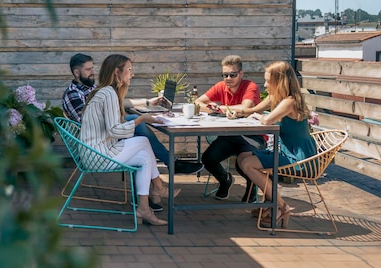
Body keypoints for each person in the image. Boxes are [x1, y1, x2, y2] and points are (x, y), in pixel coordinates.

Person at [62, 53, 203, 211]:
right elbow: (91, 123)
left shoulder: (98, 90)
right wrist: (141, 119)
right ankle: (164, 177)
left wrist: (147, 103)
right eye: (88, 69)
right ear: (76, 72)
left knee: (143, 146)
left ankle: (145, 204)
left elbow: (115, 107)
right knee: (142, 137)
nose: (92, 72)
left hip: (103, 141)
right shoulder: (75, 93)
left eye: (92, 68)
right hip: (96, 145)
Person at [80, 54, 178, 226]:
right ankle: (159, 188)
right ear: (117, 72)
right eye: (129, 70)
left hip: (98, 151)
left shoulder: (107, 92)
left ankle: (144, 208)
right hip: (96, 155)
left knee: (144, 157)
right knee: (143, 142)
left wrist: (141, 117)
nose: (132, 74)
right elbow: (115, 130)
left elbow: (114, 127)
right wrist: (141, 120)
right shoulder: (108, 93)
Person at [231, 61, 317, 228]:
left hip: (298, 158)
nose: (264, 85)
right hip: (285, 152)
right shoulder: (277, 98)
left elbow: (267, 119)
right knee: (243, 157)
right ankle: (273, 205)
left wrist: (258, 117)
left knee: (248, 164)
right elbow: (254, 110)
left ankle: (281, 206)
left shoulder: (289, 101)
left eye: (268, 81)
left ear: (280, 82)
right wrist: (228, 109)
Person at [193, 55, 264, 202]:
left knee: (242, 164)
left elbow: (245, 108)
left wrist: (221, 108)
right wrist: (213, 109)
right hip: (230, 135)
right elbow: (197, 102)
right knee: (208, 159)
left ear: (241, 74)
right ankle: (225, 180)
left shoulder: (250, 87)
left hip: (252, 136)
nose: (228, 78)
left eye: (232, 74)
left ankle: (252, 186)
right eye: (225, 75)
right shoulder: (221, 86)